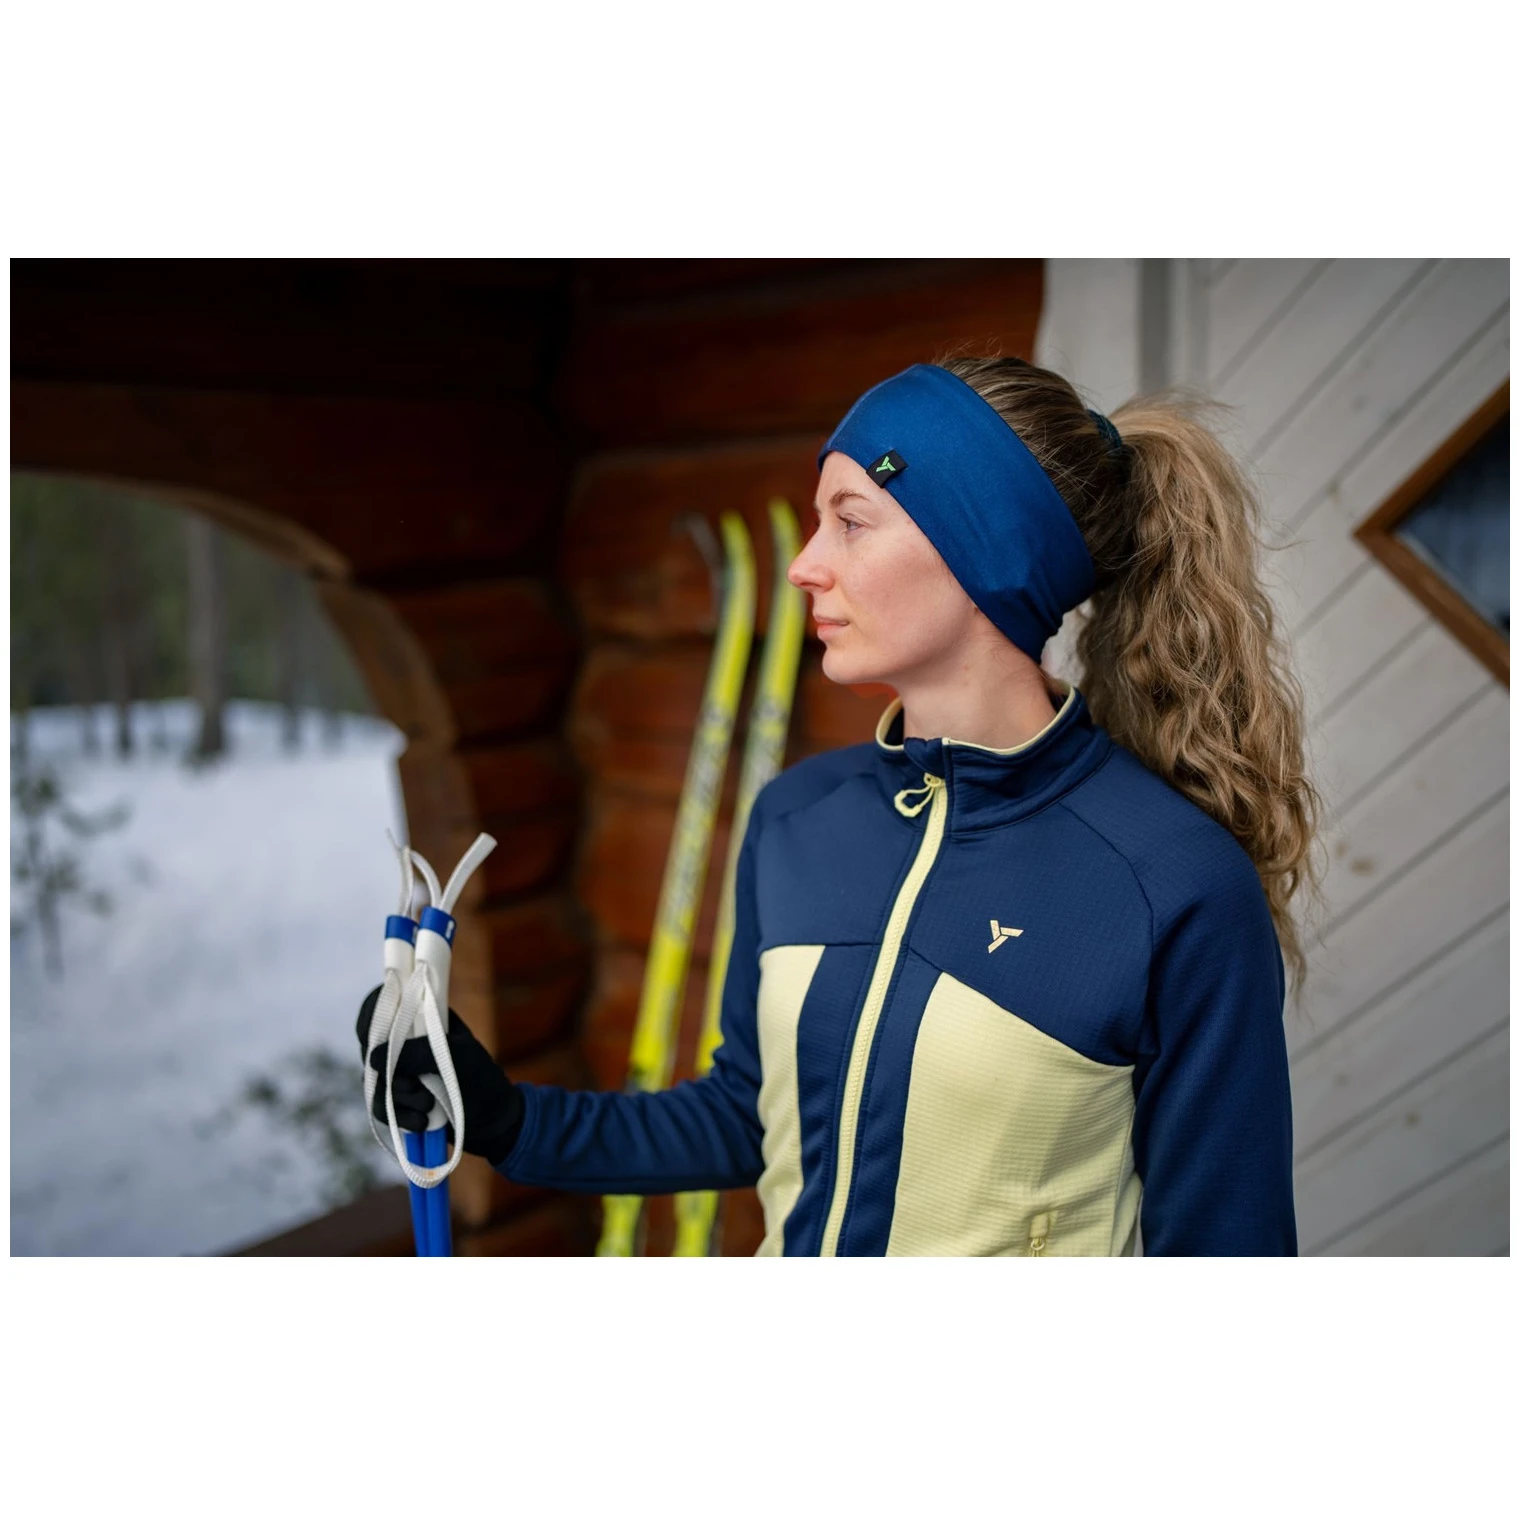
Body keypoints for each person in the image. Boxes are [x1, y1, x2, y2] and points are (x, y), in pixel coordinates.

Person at [358, 355, 1325, 1256]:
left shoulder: (1173, 885)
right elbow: (748, 1115)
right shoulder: (798, 819)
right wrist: (504, 1118)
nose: (804, 564)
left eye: (851, 521)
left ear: (986, 550)